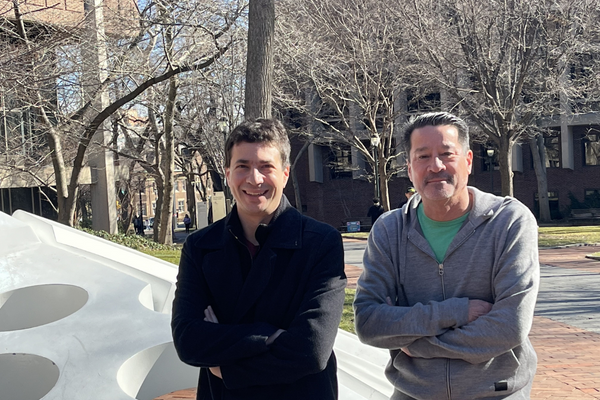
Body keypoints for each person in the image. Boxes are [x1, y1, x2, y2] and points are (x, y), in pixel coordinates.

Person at [354, 112, 540, 399]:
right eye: (423, 156)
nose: (435, 166)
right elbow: (369, 322)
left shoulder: (509, 221)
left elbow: (509, 326)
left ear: (467, 160)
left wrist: (415, 343)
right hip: (414, 391)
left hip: (496, 392)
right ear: (409, 167)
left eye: (446, 154)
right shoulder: (389, 230)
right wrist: (456, 312)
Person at [171, 118, 347, 400]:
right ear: (228, 173)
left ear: (286, 173)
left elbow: (311, 350)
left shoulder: (320, 242)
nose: (254, 179)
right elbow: (188, 340)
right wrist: (272, 335)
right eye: (243, 166)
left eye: (266, 166)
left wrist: (226, 366)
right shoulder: (200, 246)